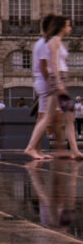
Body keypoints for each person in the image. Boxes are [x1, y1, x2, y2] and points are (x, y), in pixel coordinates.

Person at [25, 14, 64, 160]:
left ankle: (37, 148)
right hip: (44, 83)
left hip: (43, 82)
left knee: (43, 117)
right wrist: (52, 84)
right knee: (44, 118)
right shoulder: (43, 43)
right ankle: (33, 148)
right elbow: (43, 66)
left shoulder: (42, 42)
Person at [47, 17, 83, 159]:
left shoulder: (58, 41)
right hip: (58, 80)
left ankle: (74, 151)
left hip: (60, 80)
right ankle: (74, 151)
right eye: (68, 25)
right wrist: (58, 82)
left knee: (65, 117)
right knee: (66, 116)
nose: (71, 28)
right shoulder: (55, 41)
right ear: (61, 27)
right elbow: (54, 63)